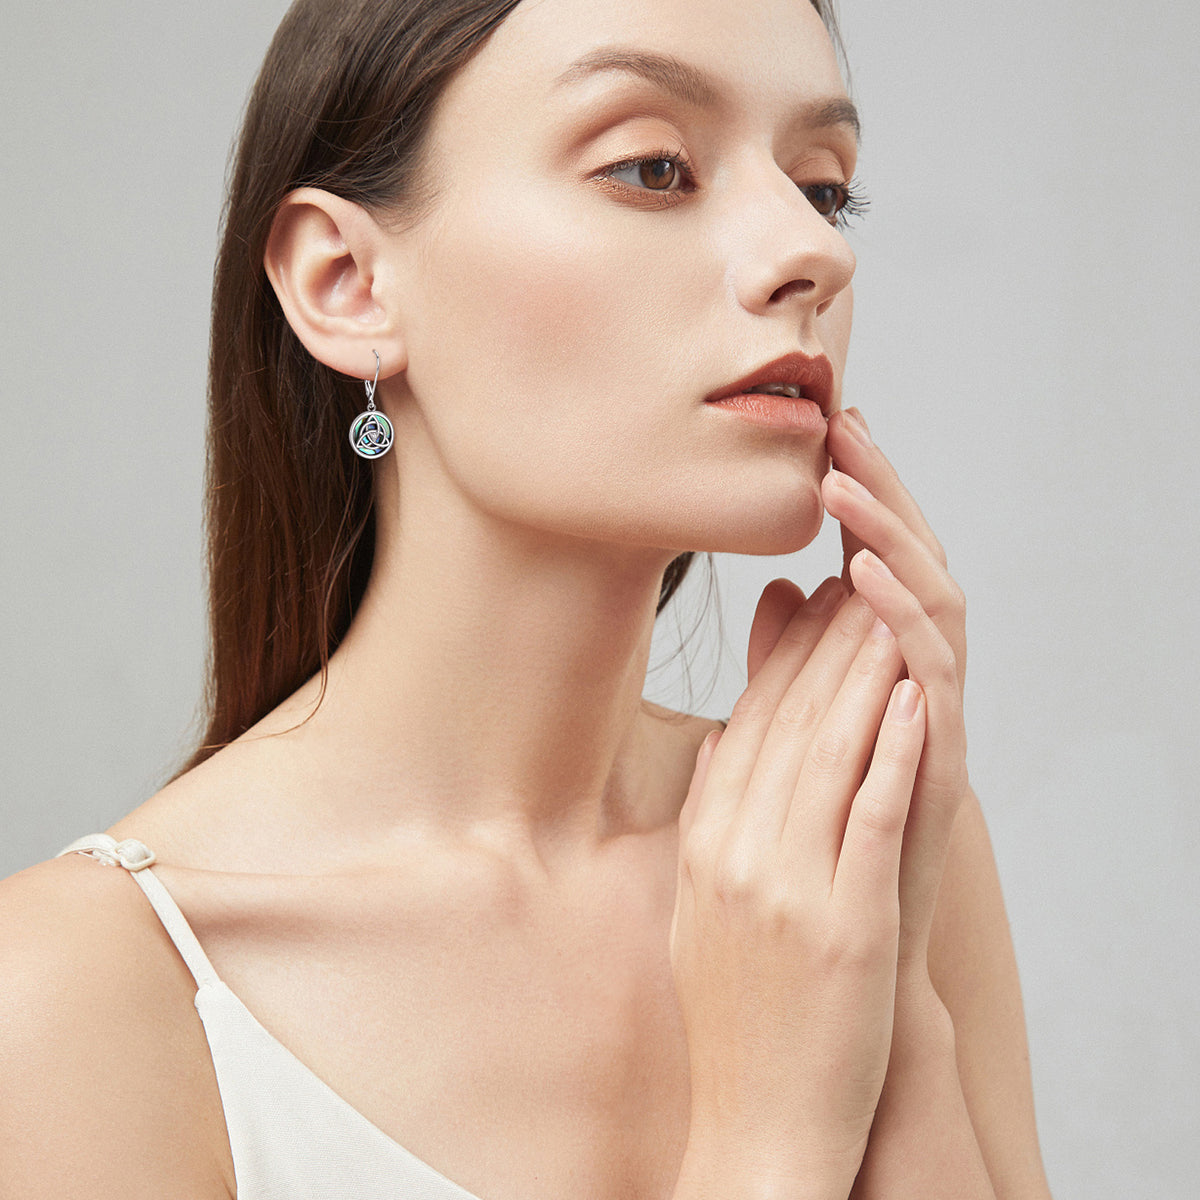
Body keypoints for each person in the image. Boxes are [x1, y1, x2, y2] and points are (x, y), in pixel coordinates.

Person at [0, 0, 1053, 1196]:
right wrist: (771, 1138)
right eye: (654, 167)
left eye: (823, 188)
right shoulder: (75, 998)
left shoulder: (862, 840)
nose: (815, 253)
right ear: (346, 282)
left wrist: (892, 1002)